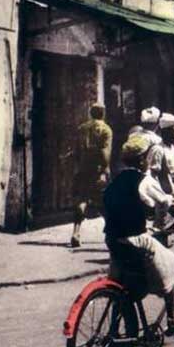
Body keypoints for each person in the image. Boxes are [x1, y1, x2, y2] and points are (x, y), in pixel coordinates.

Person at [104, 135, 174, 333]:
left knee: (122, 284)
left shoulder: (115, 181)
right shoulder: (145, 181)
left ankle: (115, 327)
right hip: (136, 240)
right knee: (172, 264)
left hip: (114, 239)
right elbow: (166, 203)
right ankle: (173, 317)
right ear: (142, 160)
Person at [70, 104, 113, 249]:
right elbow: (105, 152)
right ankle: (112, 233)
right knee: (104, 201)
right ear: (103, 113)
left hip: (84, 169)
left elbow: (76, 151)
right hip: (98, 169)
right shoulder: (105, 129)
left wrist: (79, 165)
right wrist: (105, 169)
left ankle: (76, 233)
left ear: (91, 113)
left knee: (82, 199)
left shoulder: (82, 128)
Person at [148, 113, 174, 242]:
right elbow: (152, 174)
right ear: (165, 132)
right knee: (162, 228)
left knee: (173, 228)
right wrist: (159, 196)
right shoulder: (158, 149)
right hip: (164, 197)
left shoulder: (172, 148)